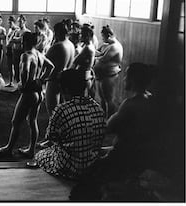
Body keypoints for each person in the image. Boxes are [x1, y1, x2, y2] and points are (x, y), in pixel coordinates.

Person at [70, 64, 159, 200]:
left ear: (133, 80)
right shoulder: (150, 99)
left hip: (125, 157)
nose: (123, 79)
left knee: (84, 178)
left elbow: (107, 128)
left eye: (126, 76)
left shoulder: (130, 104)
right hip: (139, 153)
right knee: (98, 153)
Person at [33, 69, 106, 179]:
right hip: (92, 164)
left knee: (40, 155)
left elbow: (50, 136)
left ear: (65, 89)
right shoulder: (98, 108)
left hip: (69, 166)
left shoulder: (62, 109)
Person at [0, 32, 54, 157]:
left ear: (25, 42)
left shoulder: (26, 55)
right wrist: (41, 80)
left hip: (29, 93)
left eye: (22, 40)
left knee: (16, 121)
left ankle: (9, 148)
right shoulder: (39, 54)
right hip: (39, 92)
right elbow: (51, 67)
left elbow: (25, 70)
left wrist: (23, 84)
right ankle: (31, 150)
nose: (21, 42)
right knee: (32, 120)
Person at [39, 21, 75, 148]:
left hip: (54, 80)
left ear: (57, 32)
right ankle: (63, 136)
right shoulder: (71, 45)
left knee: (52, 111)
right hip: (66, 79)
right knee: (62, 110)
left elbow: (43, 60)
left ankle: (52, 140)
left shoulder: (58, 46)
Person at [94, 25, 123, 118]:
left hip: (110, 75)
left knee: (108, 99)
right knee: (102, 98)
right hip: (102, 75)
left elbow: (103, 59)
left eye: (103, 37)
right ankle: (103, 118)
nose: (102, 39)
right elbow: (98, 52)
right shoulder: (107, 45)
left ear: (109, 35)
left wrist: (91, 56)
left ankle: (109, 119)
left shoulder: (115, 47)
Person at [72, 25, 96, 96]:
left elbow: (75, 61)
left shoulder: (87, 48)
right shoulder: (89, 45)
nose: (80, 36)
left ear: (87, 36)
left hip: (83, 76)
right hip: (85, 75)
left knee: (81, 100)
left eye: (81, 34)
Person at [10, 14, 31, 84]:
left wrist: (17, 39)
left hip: (23, 52)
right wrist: (17, 39)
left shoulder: (27, 32)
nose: (19, 23)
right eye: (18, 21)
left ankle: (23, 84)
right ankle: (17, 84)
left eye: (20, 21)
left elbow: (21, 40)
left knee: (22, 68)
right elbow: (11, 39)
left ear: (24, 22)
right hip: (15, 51)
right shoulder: (16, 31)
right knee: (16, 68)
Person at [5, 16, 18, 87]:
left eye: (10, 22)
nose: (9, 24)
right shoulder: (10, 29)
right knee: (9, 66)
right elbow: (8, 40)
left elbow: (12, 40)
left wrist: (10, 43)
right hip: (9, 49)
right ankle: (11, 82)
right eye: (8, 22)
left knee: (16, 67)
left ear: (14, 22)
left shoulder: (17, 30)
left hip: (14, 49)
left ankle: (18, 82)